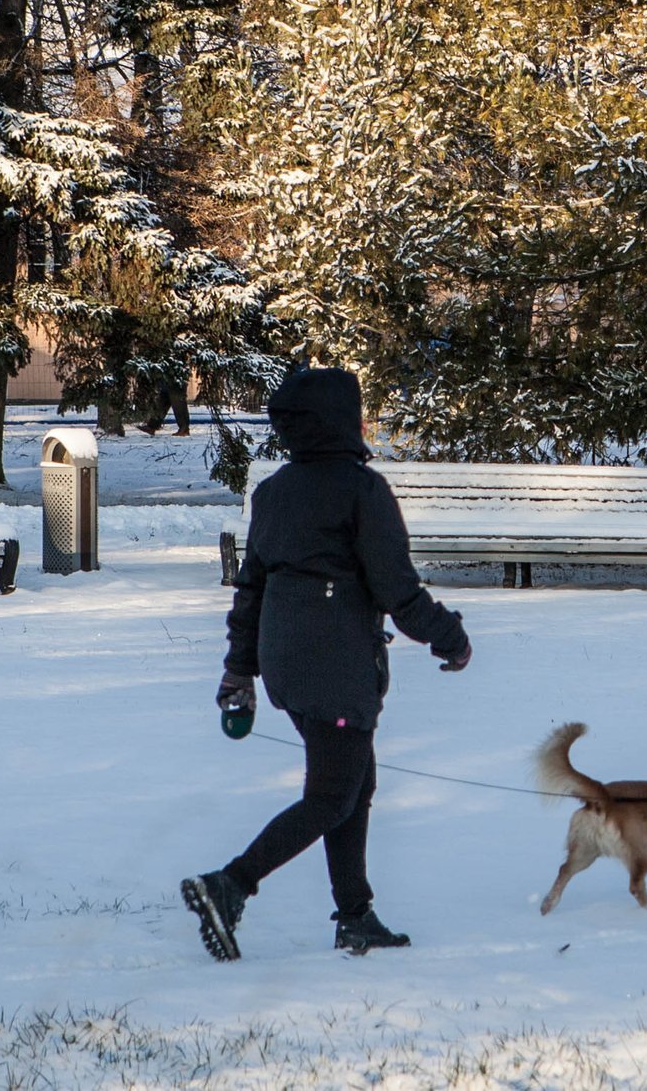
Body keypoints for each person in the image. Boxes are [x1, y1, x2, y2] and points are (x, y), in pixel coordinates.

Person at [181, 368, 472, 960]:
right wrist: (450, 637)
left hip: (284, 658)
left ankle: (356, 916)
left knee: (353, 784)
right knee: (333, 794)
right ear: (342, 420)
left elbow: (251, 587)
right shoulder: (362, 490)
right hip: (335, 662)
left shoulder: (274, 492)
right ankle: (230, 885)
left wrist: (239, 669)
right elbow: (396, 589)